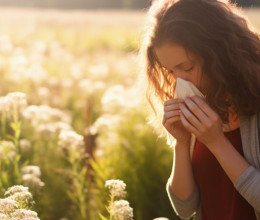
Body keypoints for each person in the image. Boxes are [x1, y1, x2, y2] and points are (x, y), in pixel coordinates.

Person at [140, 0, 260, 219]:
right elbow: (185, 208)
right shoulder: (201, 106)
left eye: (186, 67)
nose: (179, 82)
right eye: (170, 72)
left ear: (220, 53)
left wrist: (216, 142)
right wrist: (182, 143)